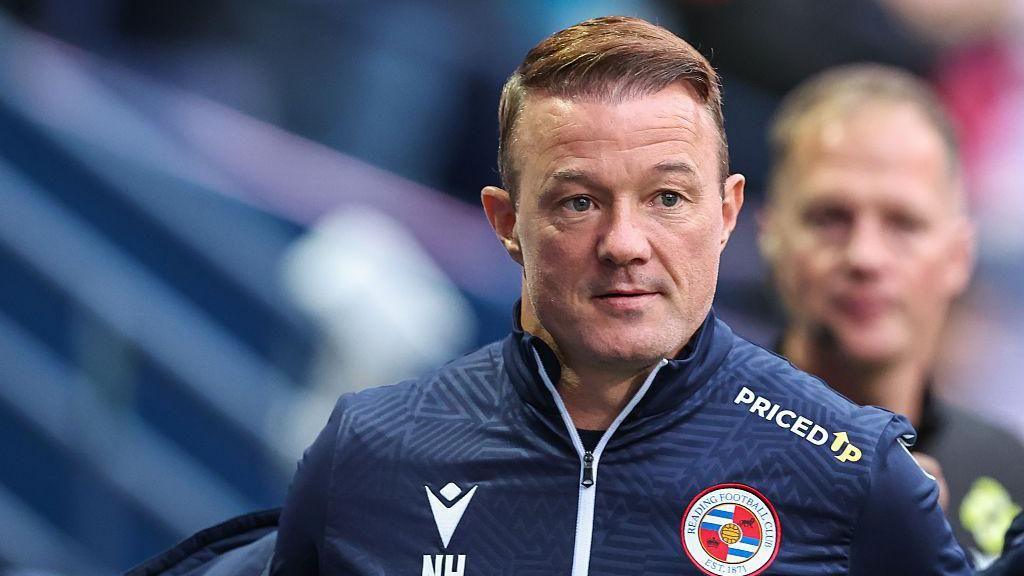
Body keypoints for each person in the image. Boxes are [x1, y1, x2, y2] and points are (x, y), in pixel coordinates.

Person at [270, 17, 970, 575]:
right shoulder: (368, 452)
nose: (624, 243)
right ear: (506, 223)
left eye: (667, 197)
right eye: (578, 202)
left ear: (726, 215)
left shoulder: (854, 470)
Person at [758, 63, 1024, 567]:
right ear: (769, 236)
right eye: (830, 218)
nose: (865, 256)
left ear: (959, 255)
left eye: (904, 222)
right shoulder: (689, 456)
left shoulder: (1008, 468)